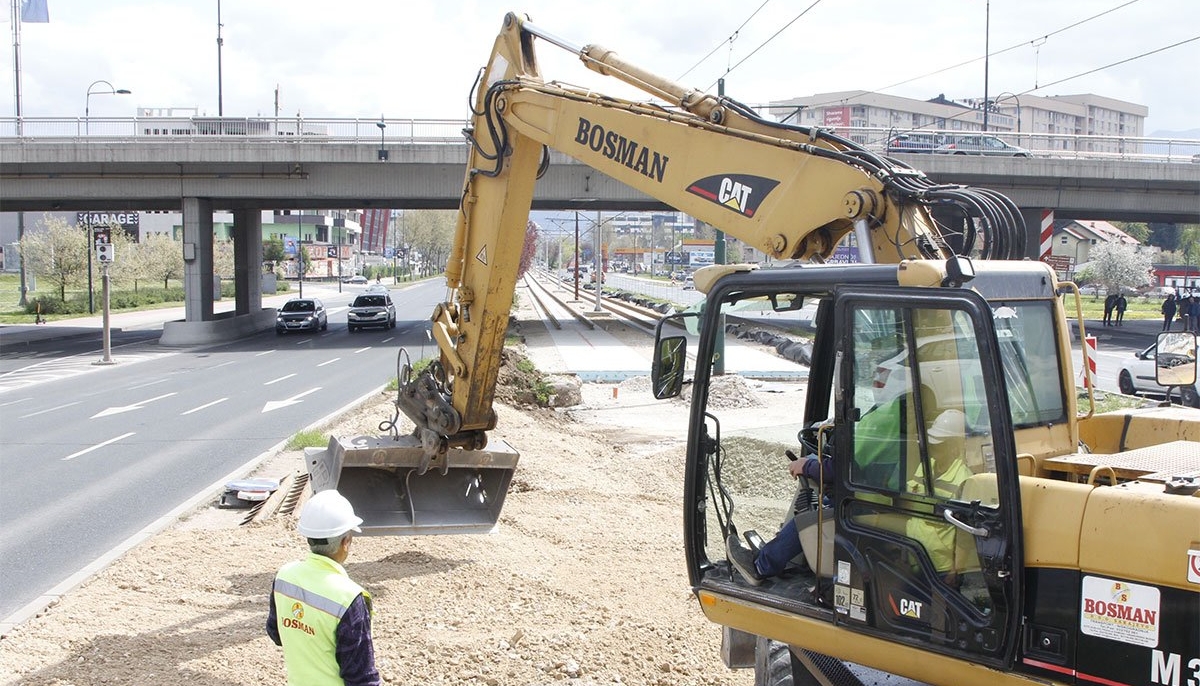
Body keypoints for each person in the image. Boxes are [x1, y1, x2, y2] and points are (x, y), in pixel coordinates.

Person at [267, 490, 381, 686]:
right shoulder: (349, 597)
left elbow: (275, 633)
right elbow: (361, 676)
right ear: (346, 542)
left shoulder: (284, 577)